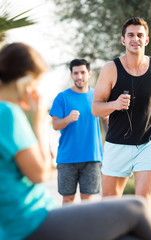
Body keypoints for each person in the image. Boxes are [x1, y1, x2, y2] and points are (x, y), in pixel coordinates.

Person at [0, 42, 151, 240]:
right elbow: (39, 173)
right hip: (30, 221)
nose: (36, 91)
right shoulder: (8, 113)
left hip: (34, 215)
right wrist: (38, 122)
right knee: (137, 207)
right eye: (35, 83)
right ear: (23, 81)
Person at [92, 17, 151, 206]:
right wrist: (114, 104)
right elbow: (96, 108)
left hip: (148, 142)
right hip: (117, 143)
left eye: (140, 35)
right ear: (123, 40)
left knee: (143, 203)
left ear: (146, 40)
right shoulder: (110, 69)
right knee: (109, 203)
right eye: (130, 35)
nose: (135, 39)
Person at [49, 58, 108, 204]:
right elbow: (55, 125)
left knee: (87, 201)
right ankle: (67, 228)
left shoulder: (98, 96)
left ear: (89, 73)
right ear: (71, 75)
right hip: (67, 158)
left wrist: (106, 119)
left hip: (92, 157)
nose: (79, 76)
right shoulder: (62, 98)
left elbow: (106, 124)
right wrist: (67, 119)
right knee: (68, 199)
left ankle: (85, 228)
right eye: (76, 73)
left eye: (82, 72)